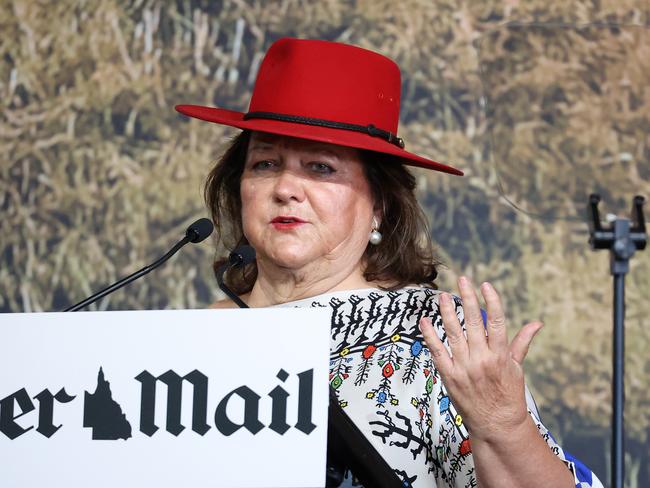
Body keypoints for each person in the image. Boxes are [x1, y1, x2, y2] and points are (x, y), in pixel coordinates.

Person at [176, 38, 601, 487]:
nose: (286, 188)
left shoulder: (438, 336)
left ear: (378, 204)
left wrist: (504, 425)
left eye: (320, 167)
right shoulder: (192, 341)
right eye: (265, 163)